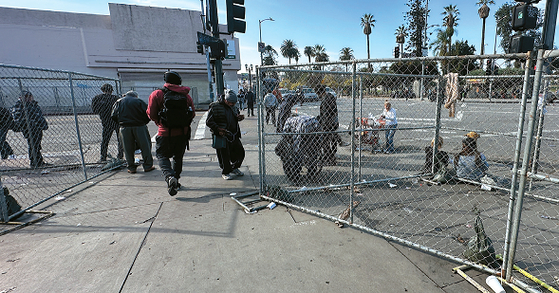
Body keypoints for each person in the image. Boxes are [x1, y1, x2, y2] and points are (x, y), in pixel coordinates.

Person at [147, 71, 195, 196]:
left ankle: (169, 177)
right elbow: (192, 113)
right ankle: (176, 180)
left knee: (162, 156)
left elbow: (151, 114)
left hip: (165, 132)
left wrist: (159, 123)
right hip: (182, 133)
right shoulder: (186, 95)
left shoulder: (157, 94)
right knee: (178, 157)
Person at [111, 90, 155, 174]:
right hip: (139, 126)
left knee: (127, 147)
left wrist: (121, 122)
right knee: (145, 145)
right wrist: (144, 122)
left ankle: (131, 167)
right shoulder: (139, 101)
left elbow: (113, 115)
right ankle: (148, 165)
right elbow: (148, 114)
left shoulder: (118, 102)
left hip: (124, 127)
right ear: (135, 96)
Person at [206, 90, 245, 180]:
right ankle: (226, 171)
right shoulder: (215, 106)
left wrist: (238, 117)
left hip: (233, 134)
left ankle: (234, 167)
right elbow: (209, 121)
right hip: (222, 135)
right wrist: (217, 129)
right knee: (224, 156)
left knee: (240, 153)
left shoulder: (234, 106)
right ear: (225, 100)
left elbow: (236, 114)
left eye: (234, 103)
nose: (232, 105)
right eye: (231, 103)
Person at [11, 91, 49, 167]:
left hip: (38, 127)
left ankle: (39, 161)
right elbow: (17, 118)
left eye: (30, 96)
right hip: (30, 128)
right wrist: (30, 124)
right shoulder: (19, 105)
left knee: (37, 145)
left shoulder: (34, 104)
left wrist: (43, 124)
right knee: (33, 145)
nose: (29, 98)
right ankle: (34, 162)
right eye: (26, 97)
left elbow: (39, 115)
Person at [92, 83, 123, 162]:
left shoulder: (97, 98)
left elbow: (94, 110)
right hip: (117, 121)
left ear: (102, 90)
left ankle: (103, 156)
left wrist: (103, 112)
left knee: (105, 140)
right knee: (120, 139)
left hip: (106, 121)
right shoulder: (116, 98)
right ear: (111, 91)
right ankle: (120, 155)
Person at [316, 84, 339, 165]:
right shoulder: (331, 96)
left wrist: (322, 126)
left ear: (319, 93)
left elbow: (325, 115)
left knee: (324, 142)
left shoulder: (325, 101)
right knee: (333, 140)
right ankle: (331, 156)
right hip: (334, 122)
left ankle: (330, 159)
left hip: (328, 124)